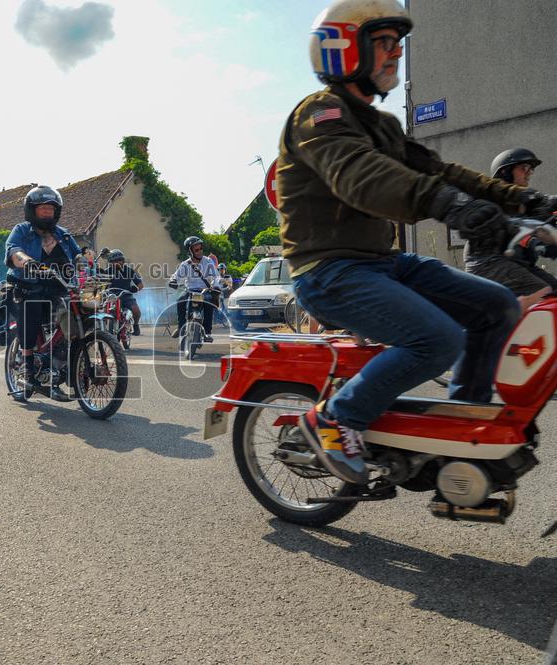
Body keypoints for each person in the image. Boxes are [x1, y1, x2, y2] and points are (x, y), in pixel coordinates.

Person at [281, 0, 557, 484]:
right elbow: (362, 176)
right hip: (327, 271)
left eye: (398, 44)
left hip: (383, 263)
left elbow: (441, 171)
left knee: (496, 305)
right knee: (438, 339)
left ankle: (460, 423)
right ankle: (334, 420)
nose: (397, 53)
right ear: (345, 49)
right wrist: (451, 205)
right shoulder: (320, 115)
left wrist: (525, 201)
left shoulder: (383, 125)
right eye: (385, 42)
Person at [5, 184, 82, 400]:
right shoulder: (22, 230)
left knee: (76, 317)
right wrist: (27, 261)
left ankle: (66, 366)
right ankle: (28, 368)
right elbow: (13, 251)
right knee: (32, 309)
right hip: (25, 288)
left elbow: (78, 255)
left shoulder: (63, 234)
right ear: (32, 210)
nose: (48, 212)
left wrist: (86, 260)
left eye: (51, 208)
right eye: (43, 208)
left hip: (56, 290)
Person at [464, 148, 557, 312]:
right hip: (488, 263)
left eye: (531, 169)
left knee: (554, 292)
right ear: (505, 172)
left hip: (517, 264)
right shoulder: (494, 199)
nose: (529, 173)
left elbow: (545, 206)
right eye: (524, 168)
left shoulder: (525, 200)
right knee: (542, 294)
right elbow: (516, 227)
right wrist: (537, 240)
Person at [168, 236, 221, 342]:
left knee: (209, 302)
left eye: (201, 248)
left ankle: (207, 332)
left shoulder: (208, 261)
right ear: (190, 251)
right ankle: (181, 327)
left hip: (204, 290)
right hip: (190, 290)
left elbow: (216, 276)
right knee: (180, 300)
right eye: (196, 250)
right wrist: (173, 281)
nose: (200, 251)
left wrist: (216, 285)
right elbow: (176, 276)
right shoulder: (185, 264)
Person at [100, 249, 143, 335]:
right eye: (115, 261)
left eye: (120, 260)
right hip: (111, 296)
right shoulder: (106, 272)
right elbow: (101, 285)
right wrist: (102, 291)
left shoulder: (129, 270)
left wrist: (136, 289)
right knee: (103, 313)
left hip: (126, 295)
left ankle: (136, 325)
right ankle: (103, 331)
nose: (119, 262)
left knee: (136, 310)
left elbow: (140, 284)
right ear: (111, 262)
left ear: (123, 260)